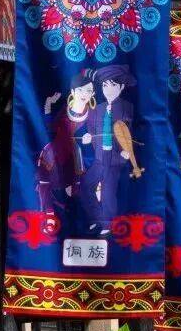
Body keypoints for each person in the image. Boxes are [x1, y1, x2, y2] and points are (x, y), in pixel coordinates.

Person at [79, 64, 141, 233]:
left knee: (108, 190)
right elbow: (92, 130)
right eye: (105, 85)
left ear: (121, 87)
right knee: (85, 185)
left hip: (115, 157)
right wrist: (89, 138)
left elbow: (128, 133)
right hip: (100, 157)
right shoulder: (96, 109)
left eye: (112, 85)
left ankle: (107, 225)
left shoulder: (127, 107)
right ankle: (96, 217)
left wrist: (126, 151)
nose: (108, 89)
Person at [36, 72, 95, 220]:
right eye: (80, 90)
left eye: (88, 90)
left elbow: (97, 138)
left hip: (77, 156)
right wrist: (48, 104)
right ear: (73, 92)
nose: (84, 94)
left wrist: (90, 139)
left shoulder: (93, 115)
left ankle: (77, 218)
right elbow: (49, 127)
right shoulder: (63, 109)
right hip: (53, 152)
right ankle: (48, 215)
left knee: (73, 190)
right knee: (45, 181)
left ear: (93, 94)